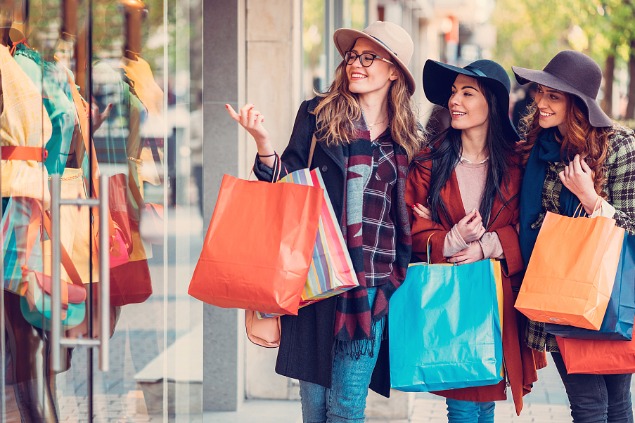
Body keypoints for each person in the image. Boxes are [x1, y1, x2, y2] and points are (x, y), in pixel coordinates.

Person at [226, 20, 422, 422]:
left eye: (370, 57)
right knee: (314, 409)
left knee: (346, 409)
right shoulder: (317, 116)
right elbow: (285, 184)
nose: (357, 64)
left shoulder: (407, 137)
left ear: (393, 71)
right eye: (353, 56)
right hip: (316, 280)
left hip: (371, 286)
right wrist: (263, 143)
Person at [405, 59, 547, 422]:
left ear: (493, 103)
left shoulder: (518, 164)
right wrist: (450, 239)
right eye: (453, 92)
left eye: (468, 93)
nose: (455, 100)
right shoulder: (428, 163)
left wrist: (485, 246)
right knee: (466, 403)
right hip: (450, 302)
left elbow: (532, 226)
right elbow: (409, 227)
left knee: (484, 400)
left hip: (499, 300)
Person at [513, 50, 635, 423]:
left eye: (553, 96)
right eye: (540, 92)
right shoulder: (540, 146)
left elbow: (631, 225)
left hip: (608, 291)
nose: (540, 102)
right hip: (559, 290)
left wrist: (590, 197)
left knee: (615, 401)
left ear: (578, 104)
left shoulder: (620, 147)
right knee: (588, 402)